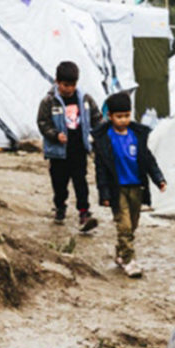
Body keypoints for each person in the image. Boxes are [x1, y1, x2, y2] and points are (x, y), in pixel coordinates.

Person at [93, 91, 166, 278]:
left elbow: (148, 160)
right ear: (110, 116)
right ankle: (129, 260)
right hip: (117, 189)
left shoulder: (137, 136)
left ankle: (120, 251)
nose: (123, 120)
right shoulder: (104, 140)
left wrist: (159, 179)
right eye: (119, 116)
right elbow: (101, 169)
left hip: (137, 187)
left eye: (126, 115)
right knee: (124, 226)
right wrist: (104, 194)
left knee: (132, 225)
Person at [37, 61, 101, 231]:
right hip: (58, 152)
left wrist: (100, 135)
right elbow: (42, 122)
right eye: (65, 85)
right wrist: (54, 135)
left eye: (72, 85)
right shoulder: (49, 101)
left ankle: (84, 212)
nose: (69, 89)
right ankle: (60, 205)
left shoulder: (85, 100)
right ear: (57, 82)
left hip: (78, 149)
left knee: (81, 182)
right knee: (59, 183)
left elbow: (96, 117)